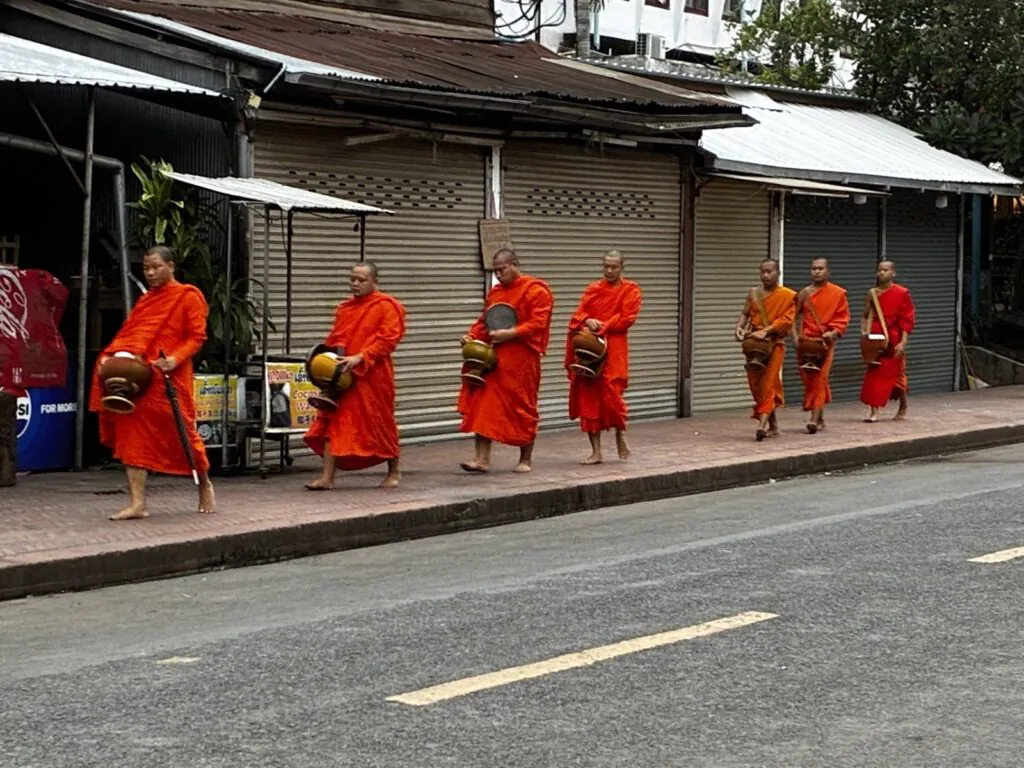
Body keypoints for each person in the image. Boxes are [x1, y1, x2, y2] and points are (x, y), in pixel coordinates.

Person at [89, 245, 214, 520]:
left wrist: (175, 358)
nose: (150, 272)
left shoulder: (188, 296)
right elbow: (129, 336)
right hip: (140, 378)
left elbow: (197, 337)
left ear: (171, 266)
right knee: (133, 435)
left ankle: (204, 485)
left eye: (156, 267)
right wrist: (111, 357)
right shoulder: (146, 301)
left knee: (184, 435)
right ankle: (138, 503)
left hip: (170, 376)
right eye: (146, 268)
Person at [304, 262, 406, 489]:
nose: (356, 284)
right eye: (353, 279)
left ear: (374, 282)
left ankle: (394, 471)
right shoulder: (345, 309)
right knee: (333, 421)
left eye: (361, 280)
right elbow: (335, 339)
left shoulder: (387, 306)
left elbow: (388, 339)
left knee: (381, 423)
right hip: (343, 375)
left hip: (373, 375)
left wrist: (361, 357)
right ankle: (327, 478)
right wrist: (326, 363)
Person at [458, 249, 553, 473]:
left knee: (523, 407)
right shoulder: (496, 293)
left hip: (522, 359)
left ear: (514, 264)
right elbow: (486, 322)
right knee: (483, 405)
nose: (499, 275)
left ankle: (525, 459)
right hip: (495, 359)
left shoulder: (536, 290)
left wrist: (510, 333)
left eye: (502, 269)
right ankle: (481, 459)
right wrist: (470, 336)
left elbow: (538, 322)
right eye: (496, 271)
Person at [565, 250, 642, 464]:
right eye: (606, 266)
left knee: (612, 394)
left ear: (621, 267)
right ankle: (595, 451)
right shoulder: (593, 289)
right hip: (591, 351)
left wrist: (604, 326)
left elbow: (627, 318)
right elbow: (578, 314)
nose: (609, 271)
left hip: (615, 348)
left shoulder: (631, 290)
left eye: (614, 267)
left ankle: (619, 432)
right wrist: (587, 320)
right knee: (588, 397)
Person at [734, 258, 796, 441]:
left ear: (778, 273)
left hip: (774, 344)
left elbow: (786, 320)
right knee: (756, 385)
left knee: (768, 383)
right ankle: (773, 425)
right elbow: (745, 313)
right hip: (754, 346)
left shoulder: (787, 295)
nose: (766, 275)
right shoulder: (753, 293)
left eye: (770, 271)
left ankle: (762, 425)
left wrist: (766, 331)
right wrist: (739, 328)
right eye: (763, 272)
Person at [792, 257, 850, 434]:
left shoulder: (838, 293)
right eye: (814, 268)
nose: (817, 271)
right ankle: (820, 417)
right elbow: (793, 318)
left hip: (825, 343)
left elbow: (843, 318)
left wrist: (833, 333)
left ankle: (814, 419)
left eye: (820, 268)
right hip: (806, 343)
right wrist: (795, 338)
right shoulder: (803, 293)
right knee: (809, 380)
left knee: (820, 379)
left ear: (828, 271)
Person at [860, 259, 915, 422]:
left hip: (894, 336)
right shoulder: (872, 293)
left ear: (893, 273)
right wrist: (865, 335)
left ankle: (903, 405)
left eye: (885, 270)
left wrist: (903, 342)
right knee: (874, 374)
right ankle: (874, 411)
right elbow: (865, 315)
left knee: (897, 376)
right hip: (876, 338)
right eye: (880, 270)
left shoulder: (902, 293)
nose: (882, 273)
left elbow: (907, 319)